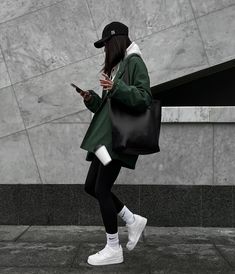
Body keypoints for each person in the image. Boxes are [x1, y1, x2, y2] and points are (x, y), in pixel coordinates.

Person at [78, 21, 153, 266]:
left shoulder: (134, 62)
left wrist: (117, 87)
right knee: (92, 186)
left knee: (101, 189)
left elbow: (144, 98)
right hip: (104, 141)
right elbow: (107, 110)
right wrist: (91, 100)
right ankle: (132, 220)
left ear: (117, 41)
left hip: (116, 141)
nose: (105, 50)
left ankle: (113, 247)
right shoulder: (119, 66)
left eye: (107, 44)